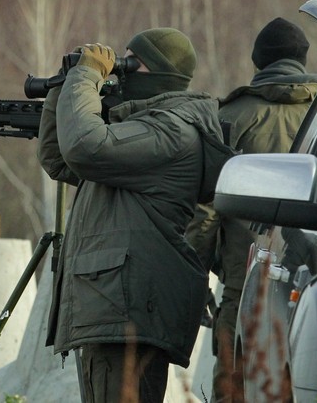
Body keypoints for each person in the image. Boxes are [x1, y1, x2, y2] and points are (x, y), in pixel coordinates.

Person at [38, 27, 221, 403]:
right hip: (114, 304)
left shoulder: (172, 131)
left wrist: (87, 78)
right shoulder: (145, 129)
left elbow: (85, 147)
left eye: (130, 63)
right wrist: (68, 80)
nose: (119, 72)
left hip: (127, 310)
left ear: (158, 75)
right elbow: (59, 158)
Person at [185, 17, 317, 403]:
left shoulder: (232, 116)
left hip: (246, 278)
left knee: (236, 383)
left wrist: (195, 278)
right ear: (302, 57)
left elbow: (207, 208)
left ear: (258, 61)